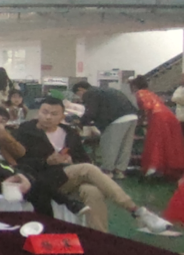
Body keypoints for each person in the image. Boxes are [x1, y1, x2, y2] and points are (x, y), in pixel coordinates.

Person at [13, 97, 170, 233]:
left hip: (69, 177)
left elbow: (84, 159)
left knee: (93, 192)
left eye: (54, 114)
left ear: (62, 116)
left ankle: (99, 238)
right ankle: (137, 211)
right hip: (42, 178)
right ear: (38, 112)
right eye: (44, 112)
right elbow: (20, 161)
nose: (48, 117)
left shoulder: (70, 133)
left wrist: (70, 161)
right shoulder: (26, 131)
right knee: (87, 169)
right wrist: (46, 161)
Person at [71, 80, 140, 179]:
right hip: (132, 116)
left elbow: (91, 112)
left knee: (109, 145)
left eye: (78, 94)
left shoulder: (90, 92)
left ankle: (107, 170)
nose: (80, 97)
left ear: (81, 89)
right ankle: (119, 171)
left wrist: (81, 122)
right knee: (125, 146)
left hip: (116, 118)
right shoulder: (104, 90)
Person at [130, 76, 184, 179]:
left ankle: (154, 167)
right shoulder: (151, 93)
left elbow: (146, 107)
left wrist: (140, 121)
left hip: (158, 117)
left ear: (134, 86)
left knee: (155, 143)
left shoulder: (140, 93)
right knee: (168, 143)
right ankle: (168, 168)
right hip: (169, 116)